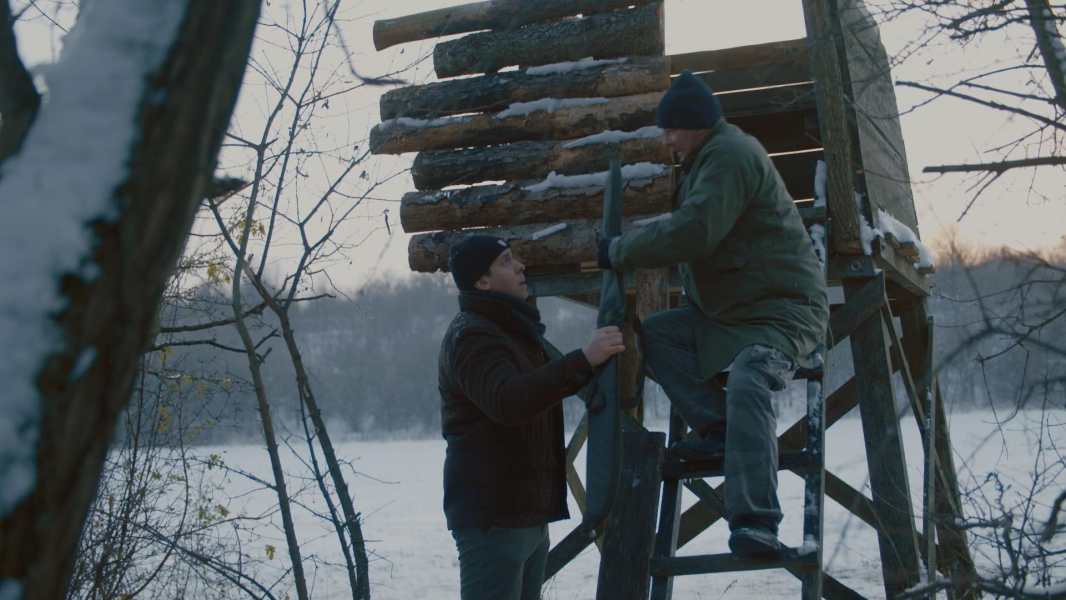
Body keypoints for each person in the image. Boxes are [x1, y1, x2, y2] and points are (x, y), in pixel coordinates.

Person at [597, 71, 829, 555]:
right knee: (657, 335)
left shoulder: (729, 155)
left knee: (749, 375)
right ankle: (722, 430)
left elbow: (696, 232)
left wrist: (619, 251)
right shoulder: (704, 159)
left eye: (672, 129)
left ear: (695, 123)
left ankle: (756, 520)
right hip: (729, 313)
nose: (667, 140)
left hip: (782, 310)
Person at [439, 234, 624, 600]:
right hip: (493, 519)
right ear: (482, 281)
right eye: (506, 261)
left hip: (527, 516)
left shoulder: (510, 331)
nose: (521, 266)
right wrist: (583, 360)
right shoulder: (472, 335)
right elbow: (509, 401)